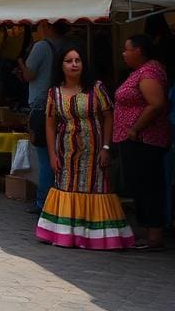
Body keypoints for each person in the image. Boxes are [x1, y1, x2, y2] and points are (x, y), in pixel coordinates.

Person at [34, 42, 134, 250]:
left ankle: (95, 237)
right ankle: (67, 235)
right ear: (60, 65)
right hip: (67, 151)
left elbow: (109, 116)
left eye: (77, 60)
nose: (73, 65)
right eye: (68, 61)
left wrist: (107, 148)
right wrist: (52, 155)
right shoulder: (55, 93)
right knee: (66, 187)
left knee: (96, 188)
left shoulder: (96, 88)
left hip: (95, 151)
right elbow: (50, 124)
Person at [113, 34, 170, 250]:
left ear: (139, 51)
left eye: (127, 49)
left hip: (145, 140)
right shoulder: (140, 72)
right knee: (139, 184)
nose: (123, 53)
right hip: (135, 140)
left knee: (148, 185)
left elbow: (156, 104)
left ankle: (154, 234)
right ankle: (149, 231)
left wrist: (135, 128)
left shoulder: (149, 72)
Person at [17, 20, 69, 214]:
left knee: (45, 157)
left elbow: (29, 75)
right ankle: (58, 197)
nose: (36, 31)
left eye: (38, 27)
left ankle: (44, 201)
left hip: (42, 105)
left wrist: (21, 63)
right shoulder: (67, 44)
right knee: (60, 154)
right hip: (64, 104)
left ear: (47, 26)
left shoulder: (41, 46)